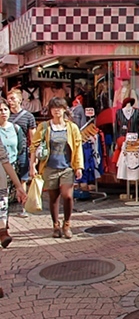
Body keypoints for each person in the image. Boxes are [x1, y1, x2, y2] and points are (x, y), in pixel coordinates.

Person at [29, 97, 84, 239]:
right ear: (50, 111)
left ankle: (67, 224)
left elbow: (78, 148)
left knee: (68, 196)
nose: (57, 111)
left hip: (67, 167)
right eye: (54, 108)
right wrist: (32, 165)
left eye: (60, 108)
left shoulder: (72, 127)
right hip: (49, 167)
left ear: (65, 109)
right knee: (53, 198)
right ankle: (55, 225)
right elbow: (34, 146)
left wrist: (79, 166)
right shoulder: (44, 127)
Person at [0, 99, 27, 248]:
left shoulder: (15, 129)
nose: (3, 112)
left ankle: (3, 231)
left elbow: (4, 159)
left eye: (5, 109)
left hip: (5, 173)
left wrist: (19, 185)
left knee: (3, 203)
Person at [6, 89, 36, 218]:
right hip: (6, 152)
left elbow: (33, 138)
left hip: (22, 151)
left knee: (23, 179)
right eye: (9, 99)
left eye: (13, 98)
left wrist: (34, 157)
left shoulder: (28, 116)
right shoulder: (5, 114)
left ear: (19, 99)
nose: (10, 101)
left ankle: (23, 207)